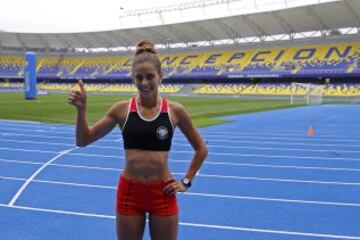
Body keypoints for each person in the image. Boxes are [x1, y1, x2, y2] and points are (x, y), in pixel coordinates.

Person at [68, 40, 208, 240]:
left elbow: (201, 150)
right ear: (133, 78)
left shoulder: (175, 111)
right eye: (139, 77)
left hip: (163, 193)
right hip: (130, 193)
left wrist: (186, 182)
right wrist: (81, 110)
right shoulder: (122, 110)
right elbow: (83, 140)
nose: (144, 83)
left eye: (150, 76)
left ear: (160, 77)